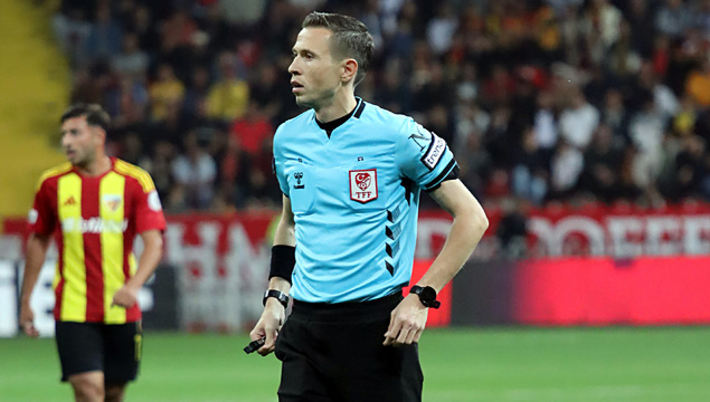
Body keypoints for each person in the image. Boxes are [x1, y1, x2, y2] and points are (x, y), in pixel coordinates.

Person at [250, 12, 489, 402]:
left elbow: (472, 217)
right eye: (295, 54)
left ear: (347, 70)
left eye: (308, 56)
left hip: (377, 332)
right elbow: (290, 224)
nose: (293, 66)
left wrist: (421, 296)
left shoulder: (398, 136)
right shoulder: (287, 139)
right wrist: (276, 298)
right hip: (305, 333)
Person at [19, 103, 166, 402]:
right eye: (64, 134)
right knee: (89, 390)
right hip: (72, 308)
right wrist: (26, 300)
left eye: (75, 133)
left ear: (99, 136)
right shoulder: (51, 184)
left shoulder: (134, 181)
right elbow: (38, 240)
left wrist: (133, 286)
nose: (66, 141)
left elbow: (154, 242)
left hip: (122, 308)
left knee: (113, 393)